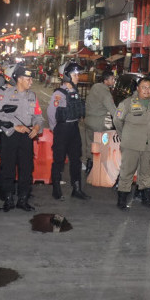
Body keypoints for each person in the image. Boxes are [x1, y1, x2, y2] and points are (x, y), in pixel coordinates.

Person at [0, 65, 43, 211]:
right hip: (10, 135)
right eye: (28, 79)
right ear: (19, 79)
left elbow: (38, 116)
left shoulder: (32, 96)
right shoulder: (4, 94)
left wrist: (37, 127)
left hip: (27, 136)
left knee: (26, 169)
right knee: (8, 168)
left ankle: (23, 199)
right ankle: (8, 199)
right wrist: (14, 126)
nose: (31, 82)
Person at [114, 77, 150, 209]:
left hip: (148, 146)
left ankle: (145, 198)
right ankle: (122, 200)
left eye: (149, 87)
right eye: (144, 87)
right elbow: (117, 120)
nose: (147, 90)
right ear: (138, 88)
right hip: (131, 145)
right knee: (127, 172)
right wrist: (124, 135)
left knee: (146, 172)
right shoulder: (128, 103)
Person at [48, 62, 90, 200]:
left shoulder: (75, 92)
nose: (78, 77)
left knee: (76, 160)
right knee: (59, 160)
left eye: (77, 74)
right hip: (62, 129)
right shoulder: (59, 94)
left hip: (74, 129)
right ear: (66, 76)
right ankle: (56, 190)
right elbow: (51, 113)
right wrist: (57, 130)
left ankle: (76, 189)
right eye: (74, 75)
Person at [83, 70, 117, 176]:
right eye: (112, 79)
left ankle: (89, 166)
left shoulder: (95, 87)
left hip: (88, 121)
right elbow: (113, 110)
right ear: (106, 80)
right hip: (99, 124)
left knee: (90, 145)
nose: (114, 81)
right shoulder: (105, 93)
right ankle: (98, 170)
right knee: (101, 146)